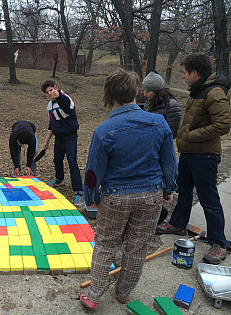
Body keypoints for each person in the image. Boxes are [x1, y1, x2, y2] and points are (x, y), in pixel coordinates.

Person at [80, 69, 178, 310]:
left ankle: (93, 296)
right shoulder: (159, 122)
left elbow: (93, 170)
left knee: (105, 245)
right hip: (151, 195)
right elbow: (169, 161)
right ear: (137, 91)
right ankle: (123, 293)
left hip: (115, 197)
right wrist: (168, 187)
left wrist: (90, 197)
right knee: (137, 246)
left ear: (109, 95)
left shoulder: (104, 130)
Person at [156, 53, 231, 265]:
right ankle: (178, 223)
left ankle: (218, 243)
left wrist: (189, 136)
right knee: (184, 190)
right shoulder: (198, 90)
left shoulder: (214, 93)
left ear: (195, 73)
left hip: (205, 154)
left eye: (184, 72)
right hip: (189, 153)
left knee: (208, 197)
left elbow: (222, 126)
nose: (182, 76)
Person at [142, 71, 182, 224]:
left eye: (148, 91)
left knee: (160, 180)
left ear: (157, 90)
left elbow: (171, 132)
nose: (145, 94)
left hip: (160, 150)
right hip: (147, 149)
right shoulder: (148, 103)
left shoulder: (172, 106)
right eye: (144, 90)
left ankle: (159, 212)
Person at [41, 80, 83, 206]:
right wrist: (46, 141)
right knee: (57, 160)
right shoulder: (49, 105)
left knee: (72, 162)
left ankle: (79, 192)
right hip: (58, 137)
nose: (49, 93)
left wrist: (59, 97)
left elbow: (69, 110)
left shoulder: (66, 98)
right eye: (47, 92)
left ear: (56, 87)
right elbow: (51, 125)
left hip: (70, 137)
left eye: (51, 90)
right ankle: (59, 179)